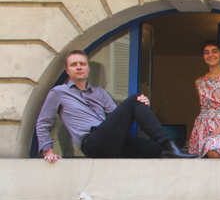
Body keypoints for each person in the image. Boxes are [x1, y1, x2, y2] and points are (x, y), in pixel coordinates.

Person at [36, 50, 193, 161]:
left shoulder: (100, 93)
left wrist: (142, 107)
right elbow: (44, 122)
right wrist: (47, 151)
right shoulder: (59, 92)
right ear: (68, 71)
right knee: (135, 98)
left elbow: (117, 118)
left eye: (82, 64)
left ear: (88, 68)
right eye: (74, 64)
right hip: (92, 143)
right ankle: (168, 144)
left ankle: (174, 149)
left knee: (157, 150)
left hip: (111, 141)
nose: (79, 67)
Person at [188, 40, 220, 158]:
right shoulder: (199, 81)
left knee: (214, 149)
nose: (210, 55)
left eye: (214, 51)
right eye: (206, 52)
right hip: (202, 125)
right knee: (203, 160)